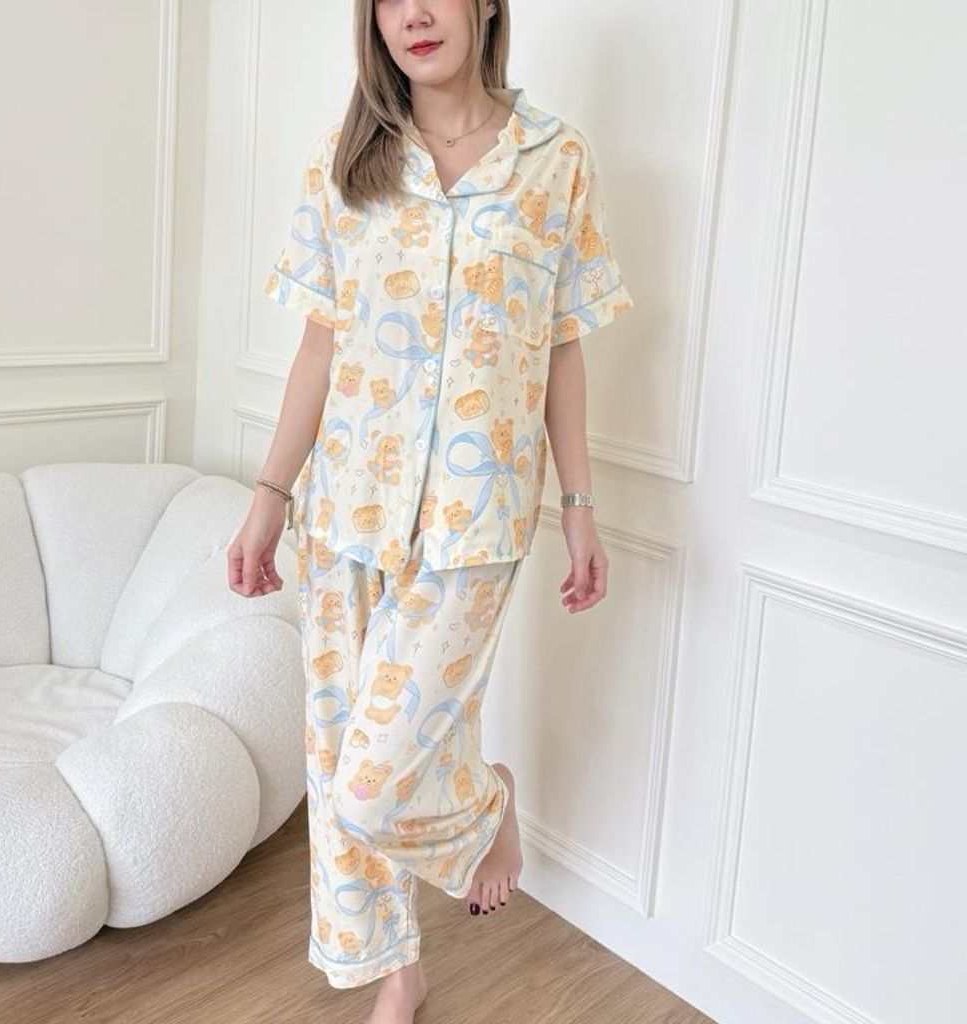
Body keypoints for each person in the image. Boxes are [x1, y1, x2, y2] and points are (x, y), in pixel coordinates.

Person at [228, 0, 634, 1019]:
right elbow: (320, 343)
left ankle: (484, 805)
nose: (413, 13)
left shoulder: (554, 159)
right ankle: (395, 969)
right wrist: (270, 497)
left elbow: (562, 344)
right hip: (348, 504)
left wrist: (580, 503)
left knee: (374, 781)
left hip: (476, 514)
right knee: (340, 752)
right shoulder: (346, 160)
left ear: (486, 3)